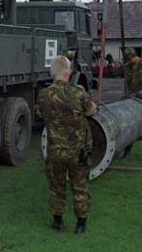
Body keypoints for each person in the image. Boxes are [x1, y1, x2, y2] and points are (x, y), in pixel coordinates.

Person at [37, 55, 98, 234]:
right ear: (69, 72)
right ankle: (81, 224)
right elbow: (92, 111)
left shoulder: (43, 95)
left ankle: (57, 221)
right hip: (77, 153)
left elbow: (41, 114)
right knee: (79, 187)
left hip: (55, 152)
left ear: (52, 72)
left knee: (56, 187)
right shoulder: (77, 92)